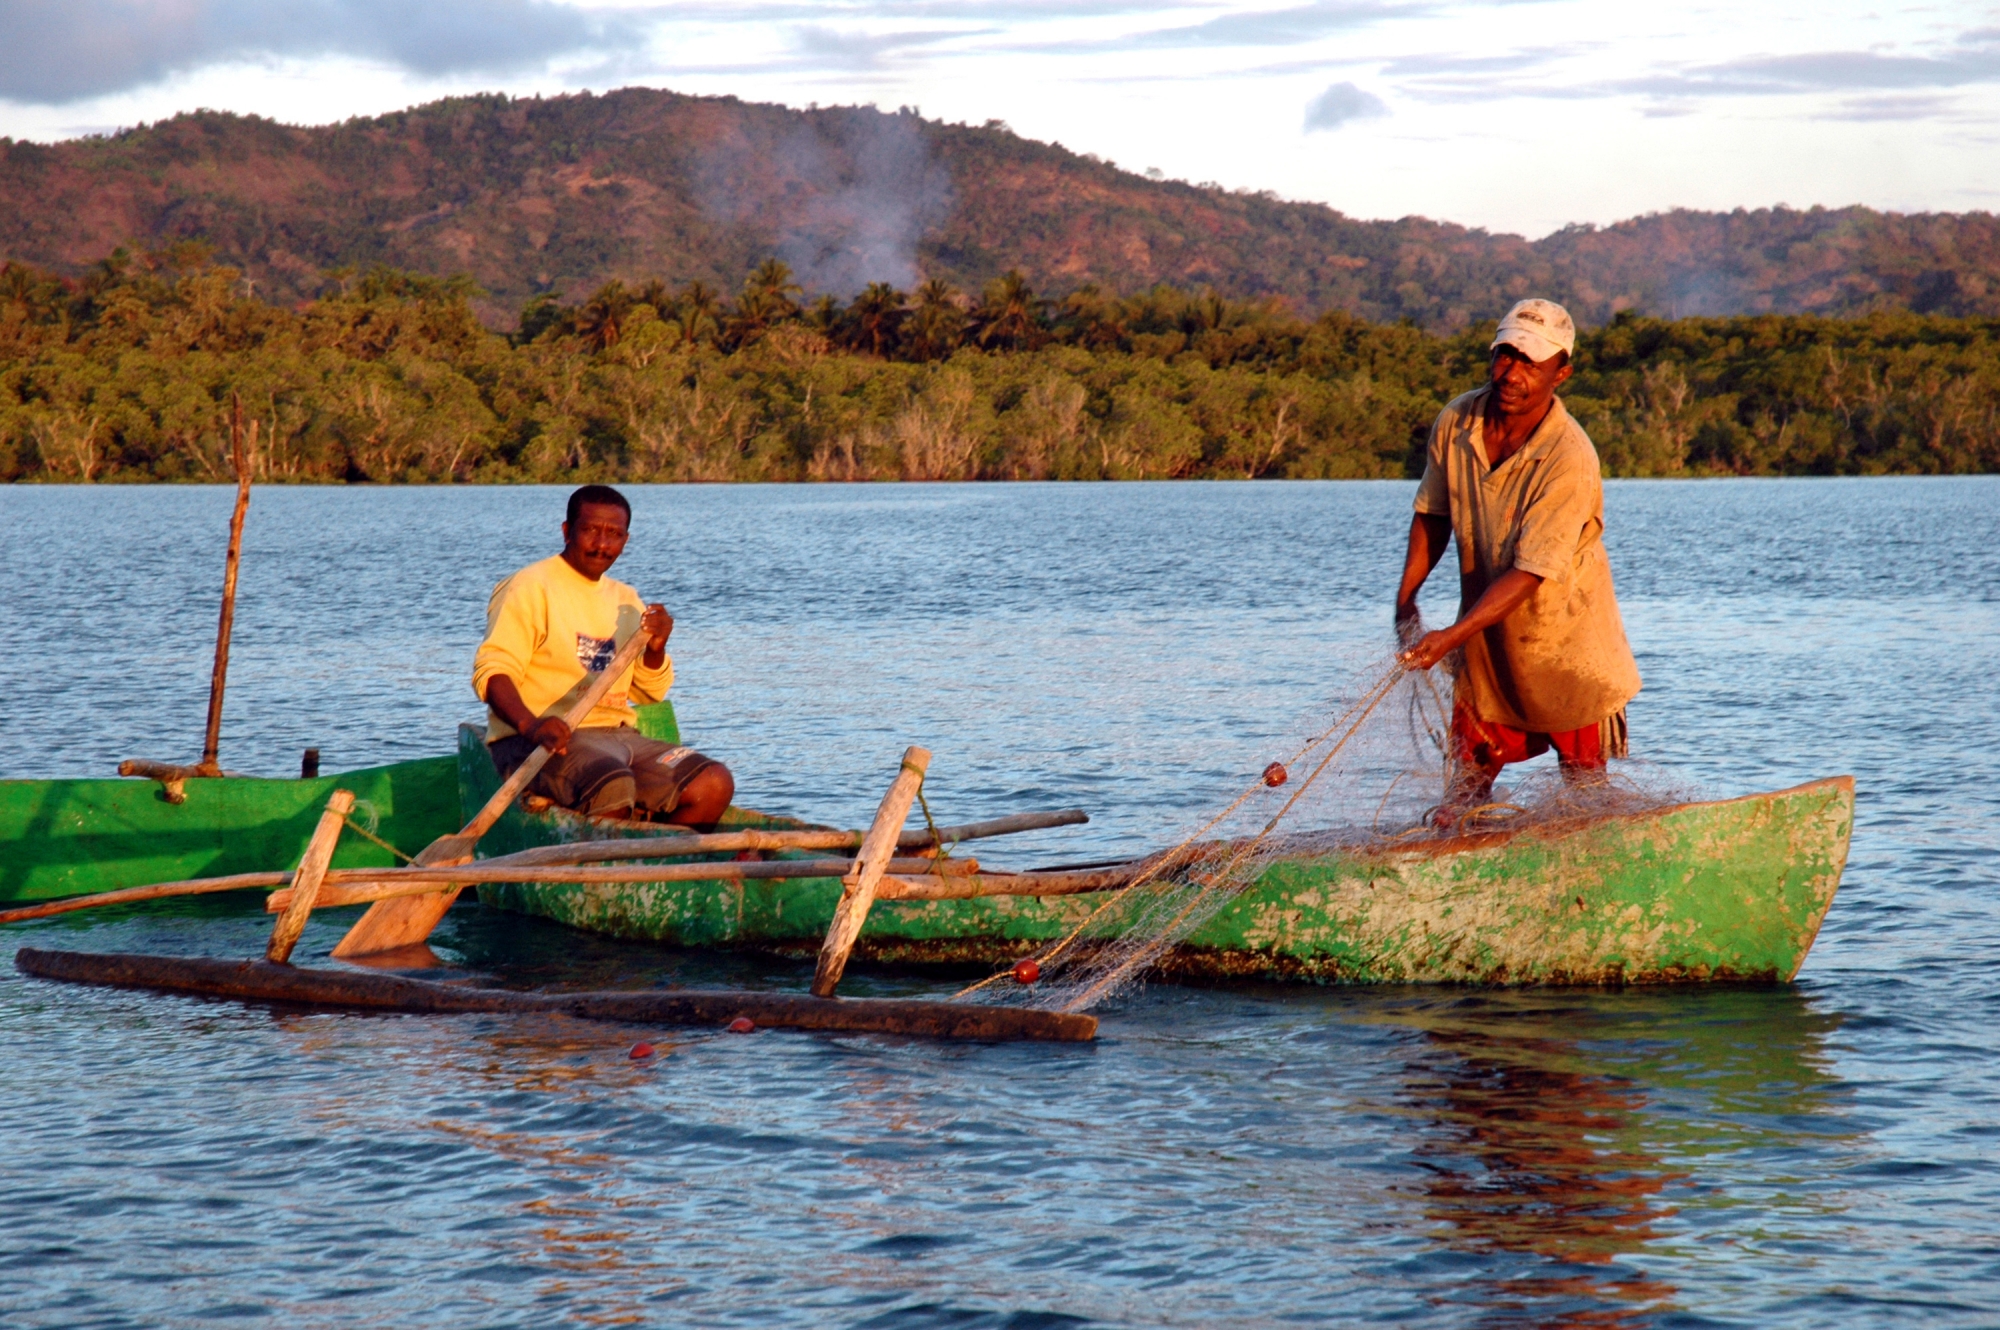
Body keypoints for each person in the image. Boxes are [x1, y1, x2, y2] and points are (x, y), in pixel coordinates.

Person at [1394, 298, 1641, 820]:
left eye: (1531, 362)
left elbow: (1531, 571)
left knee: (1586, 796)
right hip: (1487, 641)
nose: (1512, 373)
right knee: (1460, 799)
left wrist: (1450, 637)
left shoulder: (1568, 456)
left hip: (1566, 643)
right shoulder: (1457, 420)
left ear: (1561, 373)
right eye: (1505, 355)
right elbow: (1433, 514)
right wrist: (1406, 602)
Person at [472, 484, 734, 824]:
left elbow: (648, 692)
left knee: (713, 783)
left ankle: (654, 864)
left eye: (614, 534)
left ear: (625, 541)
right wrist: (532, 725)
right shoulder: (530, 586)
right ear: (567, 532)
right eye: (591, 531)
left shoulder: (626, 599)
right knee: (611, 784)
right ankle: (609, 865)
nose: (601, 545)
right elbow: (493, 673)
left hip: (619, 737)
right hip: (536, 742)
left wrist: (656, 651)